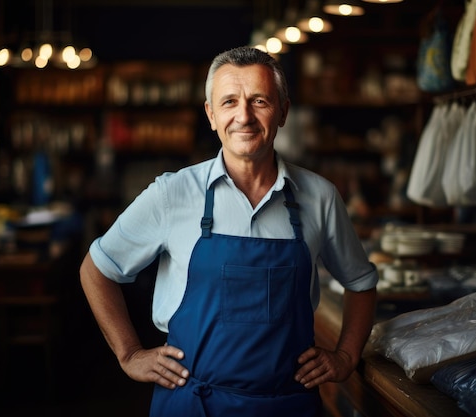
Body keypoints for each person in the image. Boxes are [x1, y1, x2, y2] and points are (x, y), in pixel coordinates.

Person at [80, 46, 378, 417]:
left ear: (283, 111)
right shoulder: (172, 194)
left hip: (288, 406)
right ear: (211, 114)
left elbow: (361, 281)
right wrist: (129, 353)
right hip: (193, 404)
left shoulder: (319, 197)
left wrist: (347, 356)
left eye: (259, 101)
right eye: (229, 102)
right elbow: (96, 269)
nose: (244, 116)